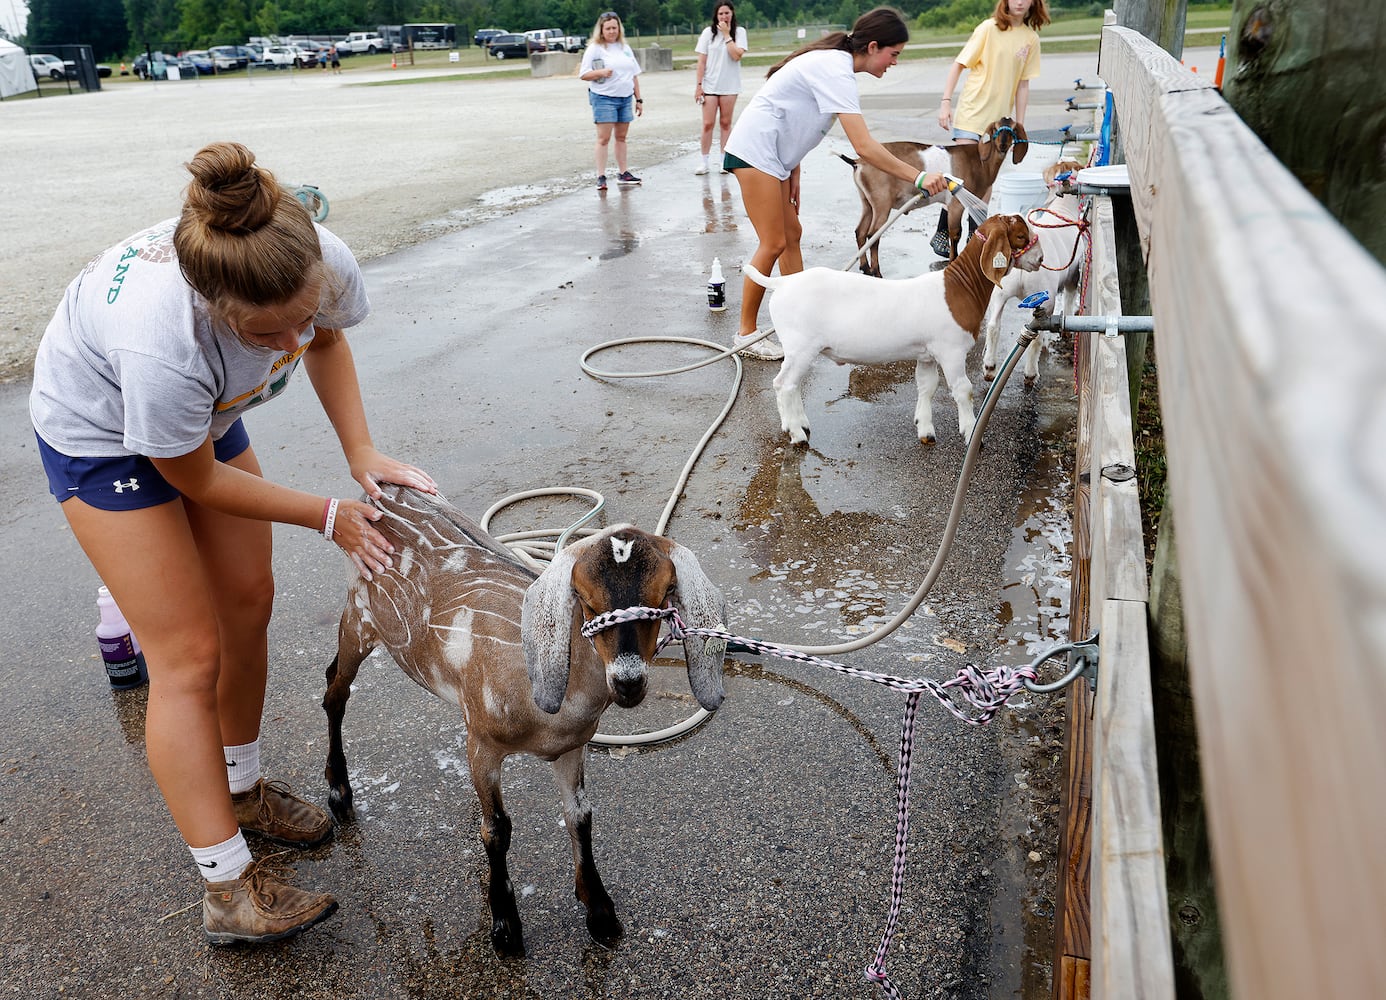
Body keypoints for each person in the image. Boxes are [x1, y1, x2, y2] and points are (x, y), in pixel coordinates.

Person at [28, 141, 438, 945]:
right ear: (216, 307)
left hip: (197, 418)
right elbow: (196, 480)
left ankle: (243, 790)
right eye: (266, 332)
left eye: (301, 314)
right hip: (101, 434)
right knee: (186, 655)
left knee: (249, 600)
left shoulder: (312, 256)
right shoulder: (164, 341)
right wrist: (328, 513)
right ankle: (226, 890)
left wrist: (361, 453)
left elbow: (325, 342)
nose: (290, 342)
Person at [723, 6, 948, 359]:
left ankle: (800, 320)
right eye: (894, 54)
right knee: (773, 241)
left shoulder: (837, 65)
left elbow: (791, 112)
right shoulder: (836, 70)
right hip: (754, 153)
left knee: (791, 235)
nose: (895, 62)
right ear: (873, 46)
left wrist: (792, 168)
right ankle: (745, 334)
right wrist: (918, 176)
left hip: (775, 159)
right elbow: (864, 147)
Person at [933, 0, 1049, 252]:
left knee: (985, 184)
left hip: (998, 126)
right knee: (963, 180)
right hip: (971, 115)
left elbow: (1023, 84)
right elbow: (959, 64)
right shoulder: (988, 28)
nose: (1019, 1)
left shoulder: (1030, 39)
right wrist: (945, 103)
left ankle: (976, 240)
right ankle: (944, 231)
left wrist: (1020, 124)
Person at [579, 11, 644, 192]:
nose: (611, 31)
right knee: (604, 138)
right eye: (608, 28)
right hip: (604, 97)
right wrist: (600, 73)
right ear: (601, 29)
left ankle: (623, 173)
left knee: (621, 137)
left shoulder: (625, 48)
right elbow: (583, 74)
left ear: (619, 28)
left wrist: (638, 99)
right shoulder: (595, 48)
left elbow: (634, 75)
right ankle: (601, 175)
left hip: (624, 98)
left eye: (614, 27)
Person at [693, 2, 748, 176]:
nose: (724, 16)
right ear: (716, 16)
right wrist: (699, 85)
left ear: (732, 14)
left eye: (727, 13)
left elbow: (736, 55)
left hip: (729, 86)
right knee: (708, 124)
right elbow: (701, 61)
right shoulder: (708, 34)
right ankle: (704, 161)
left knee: (725, 123)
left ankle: (724, 159)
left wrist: (726, 35)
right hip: (709, 85)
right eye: (721, 13)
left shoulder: (739, 32)